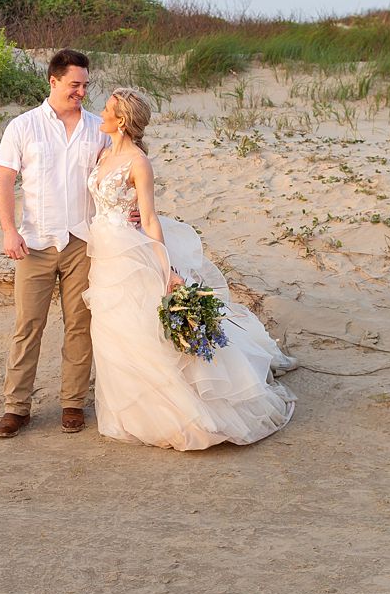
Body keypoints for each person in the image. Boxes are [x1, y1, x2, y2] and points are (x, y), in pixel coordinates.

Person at [83, 87, 296, 450]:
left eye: (106, 109)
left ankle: (176, 411)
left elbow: (148, 218)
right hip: (102, 252)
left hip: (129, 251)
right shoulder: (103, 152)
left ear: (120, 120)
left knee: (138, 329)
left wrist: (166, 269)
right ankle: (126, 408)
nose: (99, 113)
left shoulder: (138, 163)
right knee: (112, 330)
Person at [0, 48, 109, 438]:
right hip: (35, 242)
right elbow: (5, 182)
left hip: (83, 242)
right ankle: (16, 407)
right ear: (53, 81)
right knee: (28, 325)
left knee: (80, 324)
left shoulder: (98, 128)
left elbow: (112, 179)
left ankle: (73, 402)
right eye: (74, 84)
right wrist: (9, 230)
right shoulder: (22, 127)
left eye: (85, 85)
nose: (81, 92)